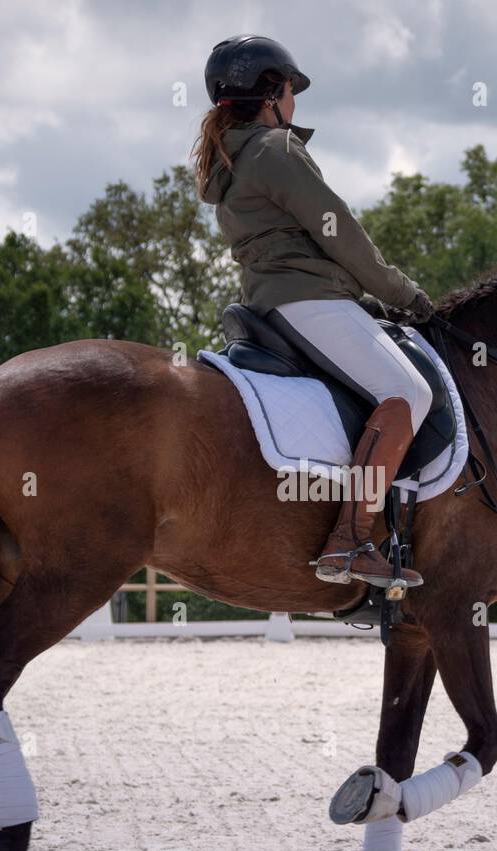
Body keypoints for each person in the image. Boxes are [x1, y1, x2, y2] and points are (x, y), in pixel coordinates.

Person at [192, 34, 432, 591]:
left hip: (274, 302)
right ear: (271, 93)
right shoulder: (275, 150)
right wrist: (402, 294)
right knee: (408, 395)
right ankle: (350, 541)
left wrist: (358, 295)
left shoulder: (232, 159)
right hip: (306, 301)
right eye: (291, 92)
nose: (295, 103)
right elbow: (339, 232)